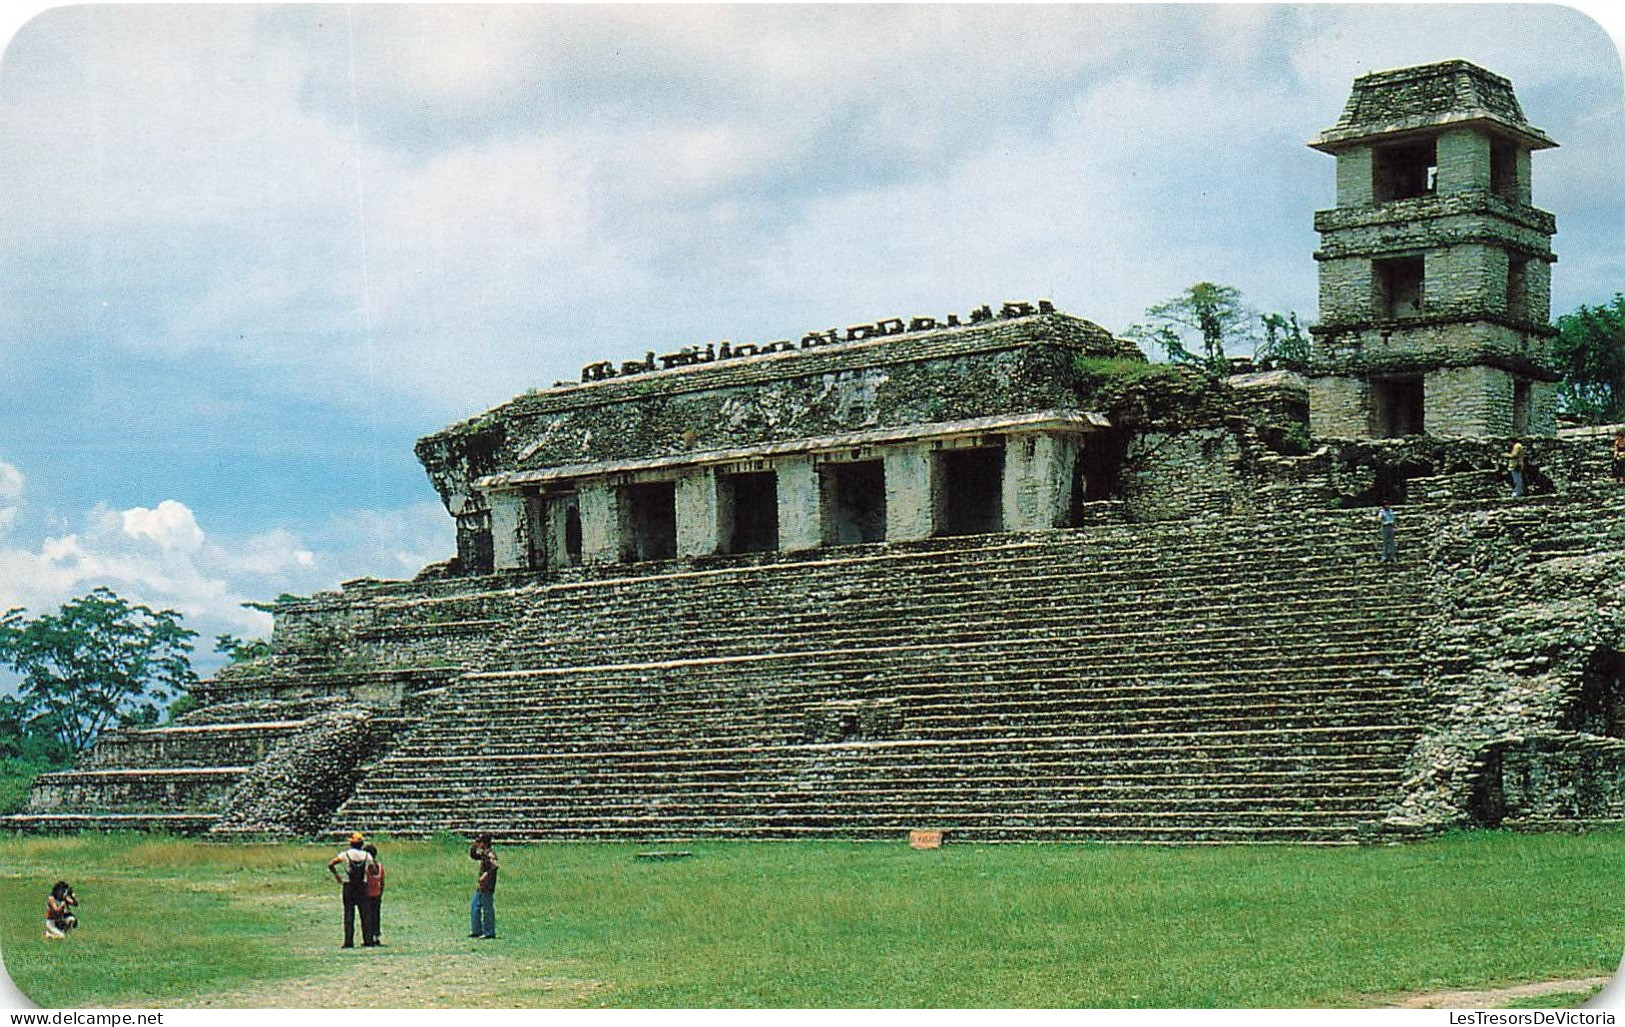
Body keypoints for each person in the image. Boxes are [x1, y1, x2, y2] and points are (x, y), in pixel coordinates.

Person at [327, 832, 374, 949]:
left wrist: (337, 876)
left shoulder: (345, 855)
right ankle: (368, 939)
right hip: (362, 886)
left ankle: (349, 941)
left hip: (349, 886)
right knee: (365, 914)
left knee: (349, 913)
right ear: (362, 843)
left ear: (351, 843)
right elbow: (371, 869)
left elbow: (331, 864)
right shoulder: (367, 856)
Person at [469, 833, 498, 940]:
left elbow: (494, 866)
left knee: (487, 909)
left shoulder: (490, 854)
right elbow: (473, 856)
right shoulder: (484, 854)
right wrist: (473, 847)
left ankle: (489, 932)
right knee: (475, 906)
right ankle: (476, 930)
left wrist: (485, 875)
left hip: (487, 886)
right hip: (481, 886)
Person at [361, 843, 385, 947]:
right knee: (376, 916)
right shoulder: (379, 866)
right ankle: (376, 936)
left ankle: (369, 936)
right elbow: (382, 882)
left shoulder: (365, 867)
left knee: (367, 916)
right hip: (377, 893)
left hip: (367, 894)